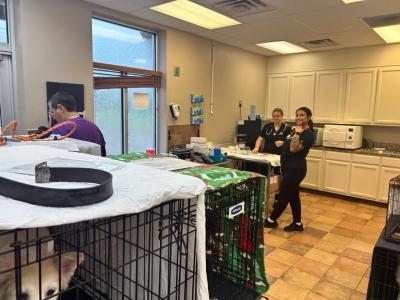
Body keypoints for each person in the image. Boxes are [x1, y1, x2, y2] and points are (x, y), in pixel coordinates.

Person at [265, 107, 315, 232]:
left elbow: (294, 149)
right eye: (297, 114)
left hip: (295, 169)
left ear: (308, 117)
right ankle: (297, 223)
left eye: (302, 115)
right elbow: (289, 144)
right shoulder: (294, 130)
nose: (298, 117)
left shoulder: (308, 134)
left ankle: (271, 220)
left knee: (284, 195)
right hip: (288, 167)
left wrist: (297, 134)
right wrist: (283, 143)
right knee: (293, 196)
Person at [48, 91, 107, 156]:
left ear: (60, 108)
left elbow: (55, 157)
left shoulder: (60, 129)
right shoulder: (94, 127)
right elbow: (103, 153)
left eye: (52, 112)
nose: (52, 116)